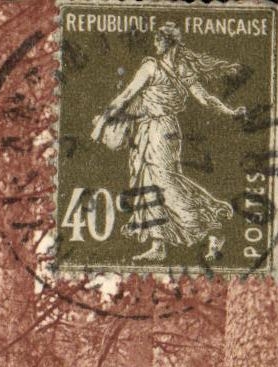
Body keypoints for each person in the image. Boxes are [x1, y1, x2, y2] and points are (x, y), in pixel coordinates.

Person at [90, 21, 247, 264]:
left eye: (157, 40)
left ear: (165, 42)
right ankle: (158, 244)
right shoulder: (180, 68)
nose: (154, 44)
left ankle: (212, 228)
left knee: (164, 182)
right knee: (149, 181)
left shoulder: (151, 67)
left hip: (158, 129)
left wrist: (101, 124)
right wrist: (230, 111)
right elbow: (205, 99)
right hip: (161, 129)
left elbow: (127, 95)